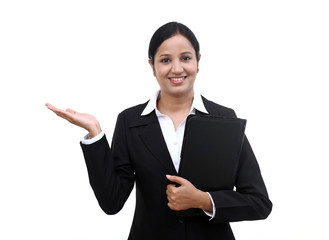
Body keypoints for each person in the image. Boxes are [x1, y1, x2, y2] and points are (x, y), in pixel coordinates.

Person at [46, 22, 272, 240]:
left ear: (198, 61)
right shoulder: (130, 121)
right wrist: (94, 133)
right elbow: (111, 202)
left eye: (185, 58)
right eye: (165, 60)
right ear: (152, 65)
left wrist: (203, 200)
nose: (177, 68)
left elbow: (259, 202)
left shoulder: (224, 119)